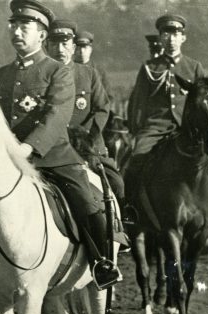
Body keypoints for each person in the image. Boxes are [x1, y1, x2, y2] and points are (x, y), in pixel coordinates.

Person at [0, 0, 120, 288]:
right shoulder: (1, 74)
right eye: (14, 25)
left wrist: (28, 148)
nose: (17, 31)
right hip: (8, 159)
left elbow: (57, 115)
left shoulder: (57, 71)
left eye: (26, 26)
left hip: (53, 156)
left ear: (41, 35)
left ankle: (101, 262)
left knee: (85, 201)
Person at [125, 14, 208, 225]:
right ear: (161, 38)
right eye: (166, 34)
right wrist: (136, 130)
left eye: (176, 34)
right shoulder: (150, 68)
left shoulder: (194, 67)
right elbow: (138, 101)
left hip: (188, 129)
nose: (171, 38)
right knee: (136, 159)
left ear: (183, 38)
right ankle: (130, 208)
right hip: (155, 128)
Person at [45, 19, 125, 207]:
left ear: (73, 47)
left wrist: (86, 135)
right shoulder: (41, 76)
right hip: (50, 147)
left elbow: (102, 108)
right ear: (46, 46)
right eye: (54, 44)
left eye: (65, 44)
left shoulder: (88, 74)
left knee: (116, 183)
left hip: (87, 146)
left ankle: (117, 230)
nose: (60, 49)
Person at [74, 30, 111, 101]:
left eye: (85, 47)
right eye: (78, 48)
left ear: (90, 50)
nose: (81, 51)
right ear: (73, 49)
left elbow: (108, 96)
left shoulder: (99, 70)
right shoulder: (68, 69)